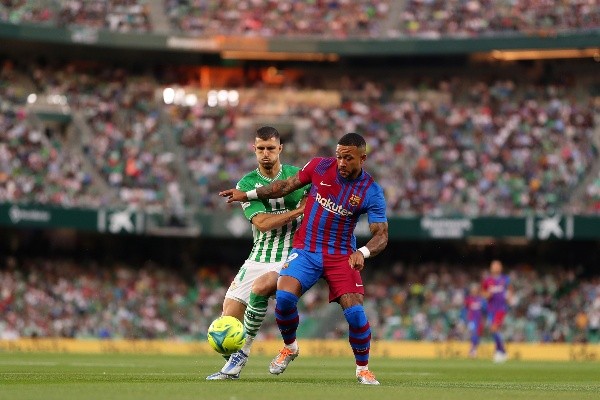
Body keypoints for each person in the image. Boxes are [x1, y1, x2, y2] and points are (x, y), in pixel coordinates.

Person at [220, 132, 388, 385]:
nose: (341, 163)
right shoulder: (320, 166)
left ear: (362, 158)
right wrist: (249, 195)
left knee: (355, 314)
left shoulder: (371, 191)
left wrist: (362, 252)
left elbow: (381, 235)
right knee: (285, 297)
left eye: (348, 158)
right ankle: (290, 347)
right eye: (339, 156)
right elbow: (284, 186)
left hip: (341, 255)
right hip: (307, 249)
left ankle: (362, 368)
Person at [207, 126, 307, 380]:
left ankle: (241, 359)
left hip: (290, 255)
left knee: (262, 287)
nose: (265, 153)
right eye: (260, 148)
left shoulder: (298, 177)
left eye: (271, 148)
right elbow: (261, 223)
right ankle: (233, 360)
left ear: (280, 149)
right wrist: (298, 211)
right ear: (254, 149)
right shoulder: (247, 184)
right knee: (226, 323)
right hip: (258, 256)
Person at [481, 259, 511, 363]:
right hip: (490, 309)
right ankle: (499, 351)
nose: (495, 267)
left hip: (500, 308)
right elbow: (483, 292)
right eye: (494, 265)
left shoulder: (505, 279)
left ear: (501, 268)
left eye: (497, 265)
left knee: (494, 329)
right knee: (493, 330)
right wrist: (486, 295)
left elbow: (510, 290)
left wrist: (509, 297)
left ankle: (502, 351)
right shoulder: (487, 280)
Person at [464, 282, 486, 358]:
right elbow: (465, 310)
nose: (474, 291)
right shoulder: (468, 299)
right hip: (472, 320)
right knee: (473, 333)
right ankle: (472, 350)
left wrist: (484, 319)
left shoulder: (481, 300)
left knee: (477, 336)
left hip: (479, 320)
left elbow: (484, 311)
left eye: (475, 290)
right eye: (472, 290)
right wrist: (466, 319)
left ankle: (473, 349)